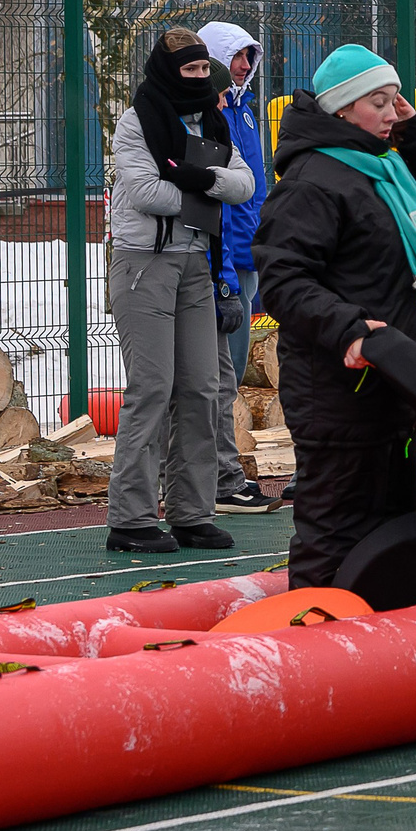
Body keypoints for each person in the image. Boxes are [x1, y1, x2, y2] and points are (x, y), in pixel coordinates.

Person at [253, 45, 416, 586]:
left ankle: (379, 626)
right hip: (339, 389)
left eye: (394, 100)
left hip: (395, 381)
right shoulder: (312, 181)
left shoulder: (385, 173)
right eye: (377, 102)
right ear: (342, 108)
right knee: (333, 533)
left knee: (392, 532)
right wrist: (349, 330)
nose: (390, 112)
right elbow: (284, 281)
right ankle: (315, 624)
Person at [103, 29, 257, 554]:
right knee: (152, 389)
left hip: (197, 263)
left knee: (201, 389)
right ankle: (131, 519)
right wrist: (211, 187)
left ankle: (192, 513)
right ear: (168, 71)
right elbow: (146, 192)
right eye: (189, 70)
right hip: (143, 264)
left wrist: (196, 179)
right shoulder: (136, 121)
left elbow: (245, 184)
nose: (198, 77)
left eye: (202, 69)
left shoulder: (213, 121)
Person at [195, 21, 281, 514]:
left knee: (225, 371)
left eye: (251, 56)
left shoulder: (244, 112)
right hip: (219, 263)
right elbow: (220, 201)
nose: (245, 66)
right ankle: (214, 476)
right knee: (216, 374)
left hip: (245, 261)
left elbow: (255, 191)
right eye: (237, 56)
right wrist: (224, 271)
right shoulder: (210, 115)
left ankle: (213, 473)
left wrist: (262, 252)